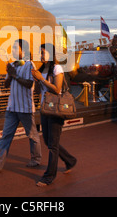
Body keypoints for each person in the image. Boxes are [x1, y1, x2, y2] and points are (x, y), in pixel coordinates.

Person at [0, 39, 41, 172]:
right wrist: (10, 74)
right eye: (13, 48)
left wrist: (14, 75)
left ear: (24, 50)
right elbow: (6, 84)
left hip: (25, 107)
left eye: (16, 48)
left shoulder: (29, 65)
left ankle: (36, 159)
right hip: (12, 107)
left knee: (32, 135)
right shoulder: (12, 64)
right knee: (6, 136)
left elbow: (29, 84)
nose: (13, 51)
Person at [31, 43, 77, 186]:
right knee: (47, 140)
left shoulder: (57, 68)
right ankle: (70, 160)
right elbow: (39, 91)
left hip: (56, 109)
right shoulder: (41, 69)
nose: (41, 55)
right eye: (40, 52)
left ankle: (49, 176)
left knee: (53, 144)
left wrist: (42, 79)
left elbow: (57, 89)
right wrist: (36, 80)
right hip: (45, 108)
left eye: (43, 52)